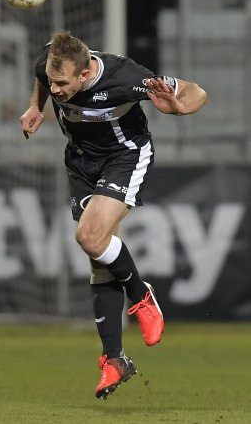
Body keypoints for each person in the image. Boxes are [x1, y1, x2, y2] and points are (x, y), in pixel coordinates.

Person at [20, 30, 206, 399]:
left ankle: (141, 295)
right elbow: (43, 79)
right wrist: (35, 107)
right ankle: (114, 359)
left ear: (86, 73)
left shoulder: (126, 77)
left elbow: (196, 90)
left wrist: (180, 107)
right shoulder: (49, 61)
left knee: (89, 238)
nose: (56, 89)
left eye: (63, 83)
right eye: (53, 81)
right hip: (81, 162)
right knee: (97, 257)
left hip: (124, 158)